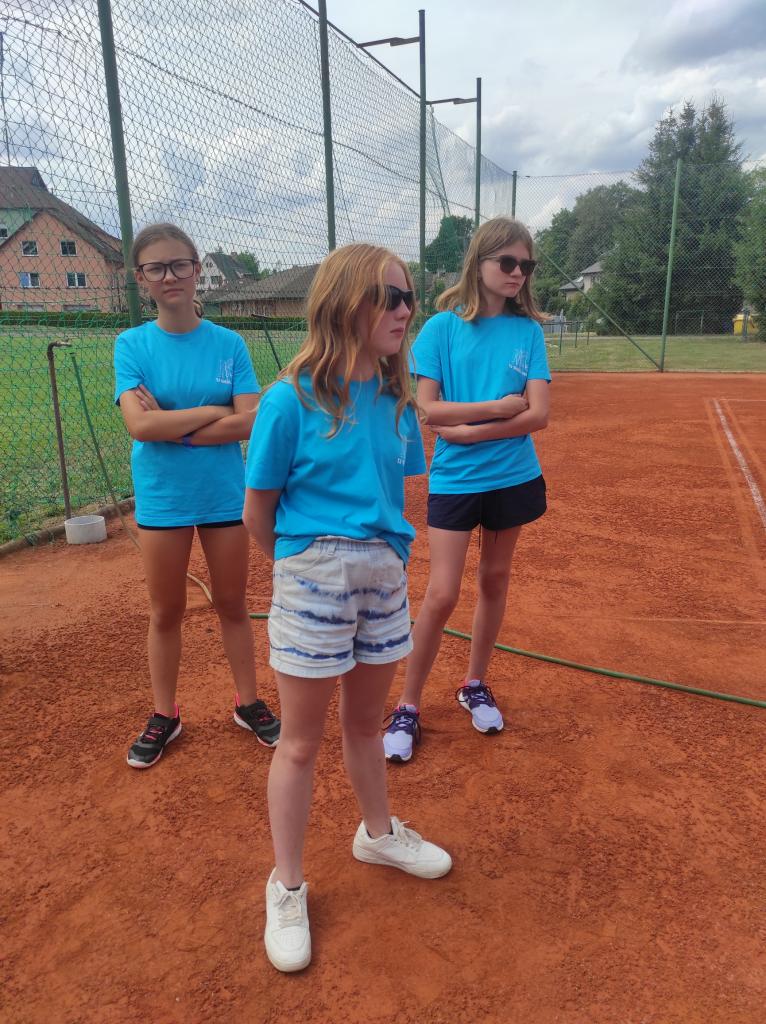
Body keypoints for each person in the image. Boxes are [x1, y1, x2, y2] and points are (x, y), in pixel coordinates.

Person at [243, 243, 452, 973]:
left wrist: (380, 562)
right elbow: (258, 514)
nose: (405, 310)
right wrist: (305, 568)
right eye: (390, 297)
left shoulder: (398, 404)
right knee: (299, 742)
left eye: (409, 297)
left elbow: (395, 494)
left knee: (365, 725)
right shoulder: (289, 399)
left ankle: (377, 835)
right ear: (345, 303)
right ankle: (286, 886)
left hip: (382, 577)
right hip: (313, 577)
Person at [383, 216, 550, 764]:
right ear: (478, 263)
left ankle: (474, 682)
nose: (518, 273)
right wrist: (498, 409)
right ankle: (407, 705)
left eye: (526, 265)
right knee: (442, 593)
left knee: (495, 579)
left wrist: (472, 430)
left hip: (513, 476)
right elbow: (429, 407)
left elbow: (539, 415)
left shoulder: (528, 333)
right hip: (457, 480)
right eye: (508, 262)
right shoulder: (441, 329)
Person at [113, 223, 280, 769]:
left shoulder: (229, 344)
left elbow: (250, 421)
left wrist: (175, 423)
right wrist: (214, 411)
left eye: (179, 264)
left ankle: (248, 702)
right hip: (163, 497)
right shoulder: (132, 344)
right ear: (141, 278)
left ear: (195, 266)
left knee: (232, 603)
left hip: (222, 494)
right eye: (156, 268)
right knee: (166, 610)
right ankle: (165, 713)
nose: (170, 276)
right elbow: (140, 426)